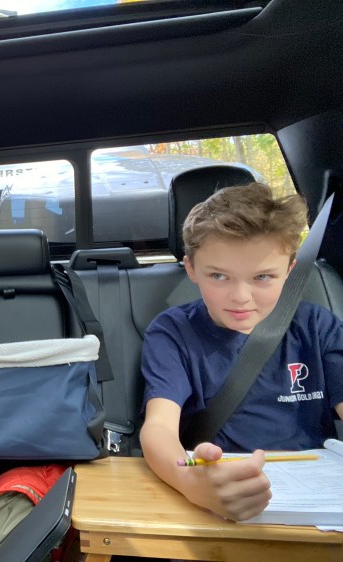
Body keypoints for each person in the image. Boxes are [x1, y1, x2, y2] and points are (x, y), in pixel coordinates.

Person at [139, 183, 343, 522]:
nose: (240, 297)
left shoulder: (317, 326)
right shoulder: (173, 332)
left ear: (289, 271)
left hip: (318, 498)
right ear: (191, 269)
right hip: (216, 492)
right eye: (219, 276)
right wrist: (189, 481)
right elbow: (159, 426)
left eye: (262, 277)